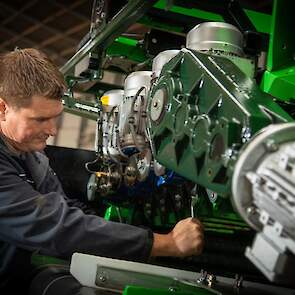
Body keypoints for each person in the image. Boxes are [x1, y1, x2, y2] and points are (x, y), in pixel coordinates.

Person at [0, 48, 204, 293]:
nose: (53, 130)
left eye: (55, 117)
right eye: (40, 120)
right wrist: (163, 243)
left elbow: (65, 208)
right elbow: (52, 224)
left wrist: (127, 235)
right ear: (3, 108)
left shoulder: (30, 153)